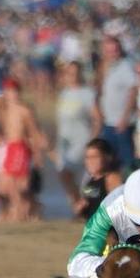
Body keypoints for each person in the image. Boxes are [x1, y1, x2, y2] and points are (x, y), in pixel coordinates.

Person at [0, 77, 48, 222]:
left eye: (14, 91)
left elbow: (33, 131)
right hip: (8, 148)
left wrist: (37, 153)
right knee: (7, 186)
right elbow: (1, 130)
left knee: (17, 185)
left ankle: (21, 213)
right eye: (9, 91)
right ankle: (29, 208)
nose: (12, 94)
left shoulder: (24, 110)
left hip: (20, 147)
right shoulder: (3, 110)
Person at [55, 60, 98, 212]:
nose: (72, 76)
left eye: (75, 73)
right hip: (64, 141)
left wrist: (93, 140)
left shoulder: (87, 93)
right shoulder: (64, 93)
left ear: (80, 74)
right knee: (65, 174)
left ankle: (83, 205)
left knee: (77, 175)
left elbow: (97, 118)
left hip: (82, 140)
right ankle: (79, 205)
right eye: (69, 73)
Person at [96, 35, 138, 169]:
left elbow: (133, 91)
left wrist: (125, 118)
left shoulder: (126, 66)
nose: (112, 54)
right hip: (108, 122)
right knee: (108, 162)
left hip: (121, 124)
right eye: (108, 51)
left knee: (126, 163)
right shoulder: (105, 67)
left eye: (115, 50)